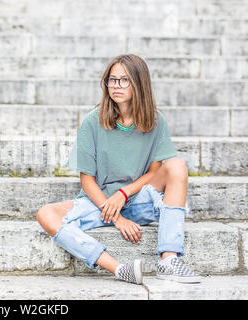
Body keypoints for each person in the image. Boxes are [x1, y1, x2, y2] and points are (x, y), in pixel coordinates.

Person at [36, 54, 201, 284]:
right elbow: (87, 181)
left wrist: (123, 194)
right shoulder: (93, 122)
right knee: (46, 213)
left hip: (139, 201)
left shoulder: (156, 121)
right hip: (100, 204)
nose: (116, 85)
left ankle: (169, 260)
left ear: (139, 84)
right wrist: (116, 217)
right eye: (112, 80)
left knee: (177, 165)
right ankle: (120, 269)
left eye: (124, 80)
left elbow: (154, 173)